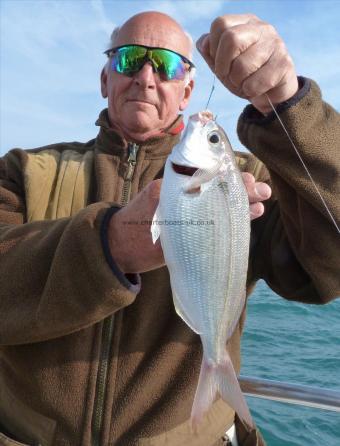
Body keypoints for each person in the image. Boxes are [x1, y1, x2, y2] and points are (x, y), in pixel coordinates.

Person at [0, 10, 339, 446]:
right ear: (106, 79)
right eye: (128, 60)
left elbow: (326, 273)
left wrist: (288, 105)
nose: (145, 76)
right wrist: (111, 244)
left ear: (187, 91)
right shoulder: (24, 170)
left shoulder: (246, 183)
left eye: (166, 65)